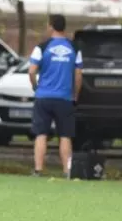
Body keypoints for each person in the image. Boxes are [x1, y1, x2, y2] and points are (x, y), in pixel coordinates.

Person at [29, 13, 83, 176]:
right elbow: (79, 75)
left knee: (41, 134)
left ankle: (38, 170)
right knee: (65, 136)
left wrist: (36, 87)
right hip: (65, 98)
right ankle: (67, 170)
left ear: (51, 26)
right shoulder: (74, 48)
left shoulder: (42, 47)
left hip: (43, 97)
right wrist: (75, 95)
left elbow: (31, 71)